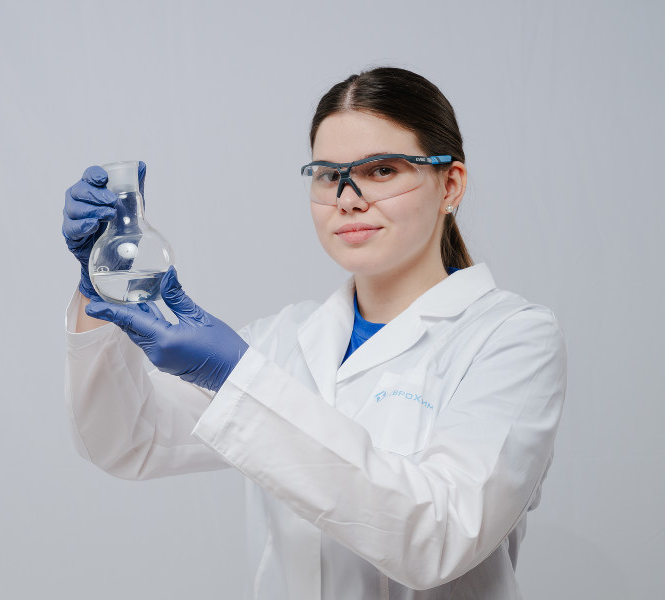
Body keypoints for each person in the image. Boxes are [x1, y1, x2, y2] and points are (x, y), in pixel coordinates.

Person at [62, 67, 566, 599]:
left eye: (382, 170)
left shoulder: (511, 339)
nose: (348, 198)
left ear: (451, 185)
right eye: (328, 175)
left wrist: (239, 380)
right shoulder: (285, 338)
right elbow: (127, 439)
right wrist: (100, 289)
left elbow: (441, 538)